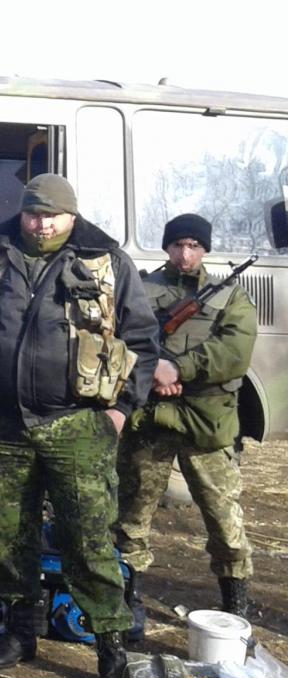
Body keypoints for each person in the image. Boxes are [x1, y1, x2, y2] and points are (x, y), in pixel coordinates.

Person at [0, 174, 158, 678]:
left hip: (77, 424)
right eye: (34, 214)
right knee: (7, 534)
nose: (42, 225)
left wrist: (119, 411)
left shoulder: (106, 262)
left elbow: (142, 342)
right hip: (0, 423)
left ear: (71, 217)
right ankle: (20, 630)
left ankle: (109, 644)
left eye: (53, 216)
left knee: (88, 537)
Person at [114, 213, 256, 628]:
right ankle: (128, 597)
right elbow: (121, 339)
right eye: (178, 244)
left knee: (223, 516)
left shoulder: (230, 297)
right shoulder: (140, 289)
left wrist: (177, 369)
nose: (185, 253)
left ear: (205, 250)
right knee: (131, 517)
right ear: (166, 247)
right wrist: (153, 372)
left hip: (205, 419)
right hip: (150, 418)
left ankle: (236, 605)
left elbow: (234, 353)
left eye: (194, 245)